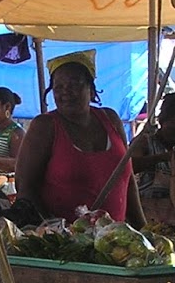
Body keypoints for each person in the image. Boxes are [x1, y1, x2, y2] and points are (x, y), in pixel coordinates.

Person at [16, 53, 145, 226]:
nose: (65, 92)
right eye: (58, 87)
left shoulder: (111, 119)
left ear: (91, 89)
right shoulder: (45, 126)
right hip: (66, 246)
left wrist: (142, 228)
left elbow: (127, 181)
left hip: (116, 243)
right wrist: (57, 232)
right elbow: (25, 188)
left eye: (74, 84)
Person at [128, 91, 175, 227]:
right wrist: (162, 158)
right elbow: (128, 167)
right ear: (162, 121)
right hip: (152, 223)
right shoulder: (145, 142)